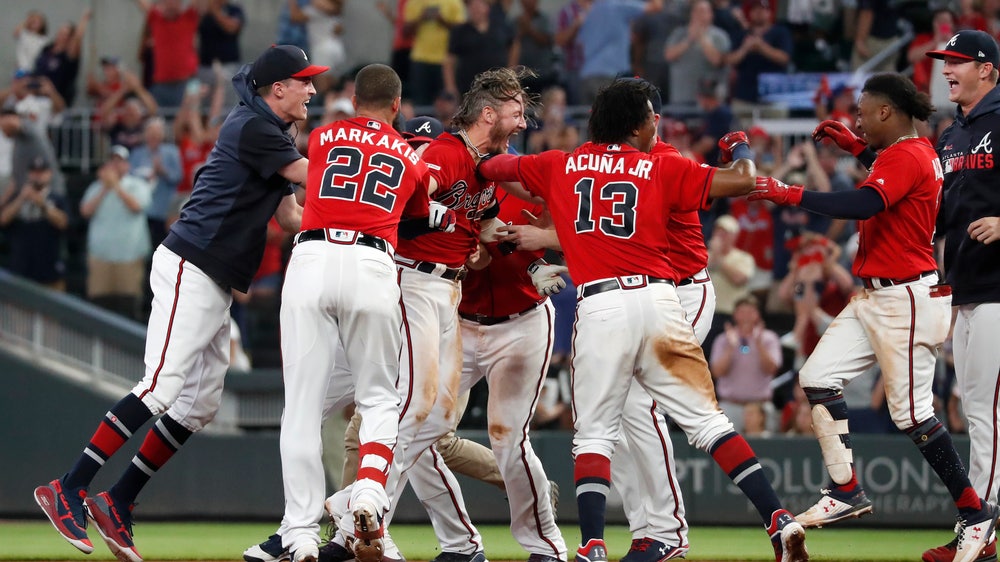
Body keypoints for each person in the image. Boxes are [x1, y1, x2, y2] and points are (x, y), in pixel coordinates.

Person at [478, 77, 808, 562]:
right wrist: (741, 149)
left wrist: (481, 162)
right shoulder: (658, 166)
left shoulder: (562, 163)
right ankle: (775, 519)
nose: (658, 123)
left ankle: (614, 541)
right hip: (658, 298)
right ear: (638, 123)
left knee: (598, 429)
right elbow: (741, 180)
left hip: (628, 299)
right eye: (652, 116)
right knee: (701, 421)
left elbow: (495, 167)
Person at [32, 44, 325, 562]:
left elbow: (290, 218)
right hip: (192, 263)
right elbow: (314, 178)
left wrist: (352, 224)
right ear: (277, 87)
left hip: (213, 274)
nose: (313, 89)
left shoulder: (277, 131)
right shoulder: (253, 126)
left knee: (199, 404)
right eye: (305, 81)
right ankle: (69, 487)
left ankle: (117, 501)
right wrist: (379, 171)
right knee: (161, 385)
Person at [750, 72, 998, 562]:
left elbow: (866, 202)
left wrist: (788, 192)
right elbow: (888, 184)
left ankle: (976, 514)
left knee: (912, 415)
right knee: (818, 377)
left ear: (886, 112)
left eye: (863, 112)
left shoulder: (907, 154)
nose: (857, 120)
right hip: (876, 296)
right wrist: (857, 152)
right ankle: (845, 489)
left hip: (905, 297)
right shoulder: (909, 152)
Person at [324, 66, 533, 562]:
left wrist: (533, 256)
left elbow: (482, 228)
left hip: (448, 289)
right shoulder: (444, 152)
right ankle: (359, 506)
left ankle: (353, 506)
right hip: (412, 280)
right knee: (412, 406)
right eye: (515, 112)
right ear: (488, 113)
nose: (522, 122)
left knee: (437, 418)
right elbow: (409, 183)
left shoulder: (483, 165)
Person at [277, 62, 433, 562]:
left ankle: (299, 532)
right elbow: (416, 210)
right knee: (379, 398)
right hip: (371, 262)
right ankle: (368, 490)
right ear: (396, 105)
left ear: (352, 98)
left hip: (313, 257)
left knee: (301, 405)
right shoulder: (410, 158)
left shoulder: (323, 136)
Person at [922, 29, 1000, 562]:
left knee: (986, 414)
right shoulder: (953, 134)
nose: (946, 69)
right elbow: (935, 211)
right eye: (944, 61)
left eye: (956, 62)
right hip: (967, 290)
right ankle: (979, 528)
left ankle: (981, 528)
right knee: (976, 409)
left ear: (987, 69)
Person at [79, 145, 153, 320]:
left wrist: (117, 186)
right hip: (100, 256)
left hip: (129, 256)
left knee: (128, 305)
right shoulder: (96, 187)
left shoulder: (137, 184)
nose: (115, 165)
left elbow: (137, 206)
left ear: (127, 165)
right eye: (112, 161)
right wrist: (105, 188)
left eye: (119, 161)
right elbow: (85, 211)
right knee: (99, 306)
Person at [709, 295, 781, 435]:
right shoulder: (723, 339)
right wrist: (730, 347)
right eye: (742, 312)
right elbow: (717, 372)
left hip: (760, 407)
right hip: (731, 405)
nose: (746, 317)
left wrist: (759, 344)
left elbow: (772, 369)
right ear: (735, 315)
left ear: (758, 315)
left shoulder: (768, 338)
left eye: (750, 312)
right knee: (727, 448)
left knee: (766, 450)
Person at [0, 155, 69, 290]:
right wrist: (21, 199)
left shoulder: (56, 198)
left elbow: (63, 223)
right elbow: (3, 220)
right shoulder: (17, 198)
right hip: (20, 270)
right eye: (34, 172)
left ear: (49, 174)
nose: (37, 176)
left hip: (49, 271)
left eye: (41, 172)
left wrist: (42, 204)